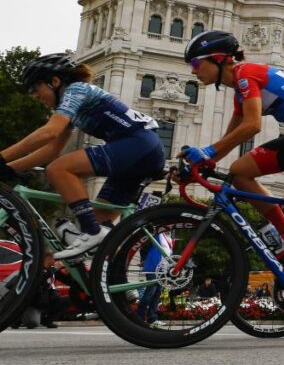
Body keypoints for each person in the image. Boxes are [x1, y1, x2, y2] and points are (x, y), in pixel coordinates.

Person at [182, 30, 284, 323]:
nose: (194, 71)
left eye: (196, 64)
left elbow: (252, 125)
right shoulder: (240, 86)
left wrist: (207, 151)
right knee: (239, 172)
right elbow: (237, 126)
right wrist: (211, 158)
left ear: (217, 60)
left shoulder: (244, 75)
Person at [0, 53, 165, 259]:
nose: (34, 95)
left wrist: (2, 157)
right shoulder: (72, 106)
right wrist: (10, 168)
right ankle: (113, 284)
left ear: (54, 81)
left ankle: (91, 232)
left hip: (137, 146)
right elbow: (51, 150)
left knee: (58, 169)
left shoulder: (75, 90)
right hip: (141, 152)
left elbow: (49, 132)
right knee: (100, 237)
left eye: (35, 88)